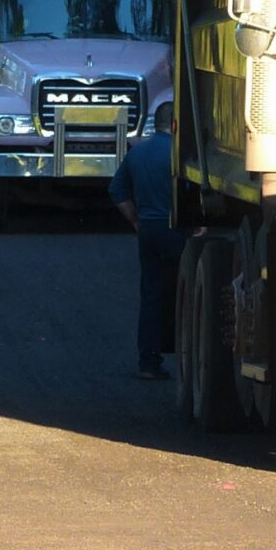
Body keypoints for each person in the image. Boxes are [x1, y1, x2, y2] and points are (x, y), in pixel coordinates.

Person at [110, 100, 183, 380]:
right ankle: (177, 349)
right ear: (176, 124)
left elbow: (117, 191)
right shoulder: (178, 153)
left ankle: (148, 361)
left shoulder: (137, 153)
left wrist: (136, 221)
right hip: (175, 230)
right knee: (176, 293)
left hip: (148, 230)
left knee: (150, 295)